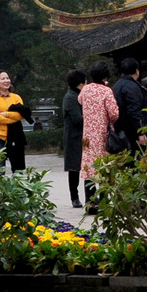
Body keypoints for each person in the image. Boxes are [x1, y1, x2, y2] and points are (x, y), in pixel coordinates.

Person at [77, 62, 117, 211]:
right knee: (103, 166)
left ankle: (90, 202)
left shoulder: (85, 90)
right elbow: (114, 113)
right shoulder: (107, 91)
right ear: (105, 76)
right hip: (102, 134)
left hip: (87, 134)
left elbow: (79, 100)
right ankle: (103, 201)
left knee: (88, 168)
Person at [0, 70, 26, 174]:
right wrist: (13, 119)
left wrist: (7, 114)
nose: (6, 80)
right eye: (3, 78)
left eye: (7, 78)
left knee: (19, 170)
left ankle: (19, 190)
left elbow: (22, 114)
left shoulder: (16, 97)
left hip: (15, 136)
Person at [113, 57, 147, 153]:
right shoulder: (132, 87)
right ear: (137, 71)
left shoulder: (116, 86)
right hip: (132, 132)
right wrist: (141, 132)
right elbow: (134, 111)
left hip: (119, 131)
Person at [60, 69, 84, 207]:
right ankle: (74, 197)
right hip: (73, 138)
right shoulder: (70, 97)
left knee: (86, 167)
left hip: (82, 136)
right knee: (74, 168)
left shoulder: (78, 94)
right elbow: (77, 119)